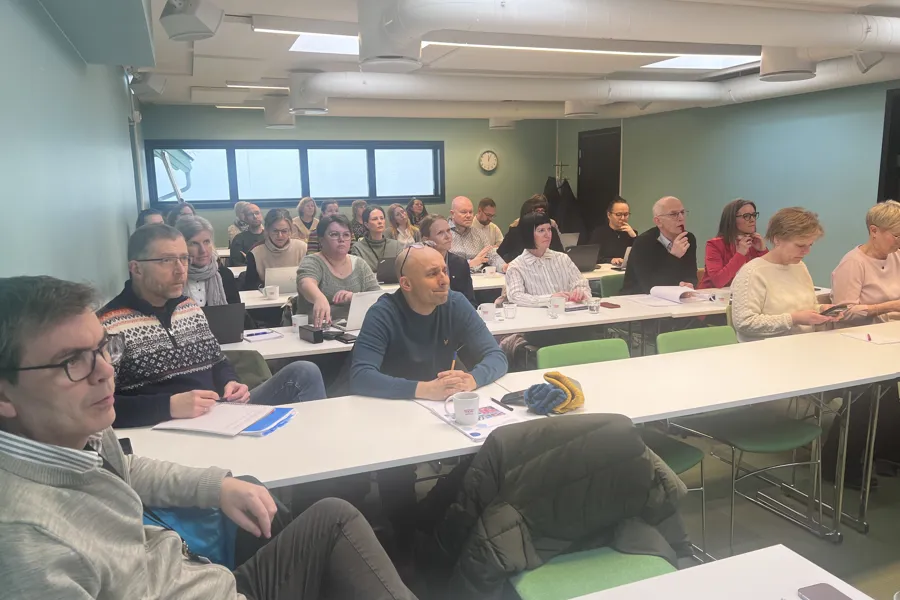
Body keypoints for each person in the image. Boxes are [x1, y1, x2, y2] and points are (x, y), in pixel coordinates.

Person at [0, 276, 416, 600]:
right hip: (202, 580)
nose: (106, 371)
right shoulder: (28, 542)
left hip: (198, 575)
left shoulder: (80, 432)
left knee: (328, 512)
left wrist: (217, 486)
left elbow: (125, 467)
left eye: (103, 349)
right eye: (72, 362)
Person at [98, 224, 326, 427]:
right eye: (166, 261)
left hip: (219, 413)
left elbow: (217, 361)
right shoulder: (109, 326)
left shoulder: (189, 308)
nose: (180, 270)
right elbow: (98, 406)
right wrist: (168, 406)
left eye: (184, 258)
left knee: (304, 372)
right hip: (167, 427)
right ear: (136, 268)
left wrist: (230, 382)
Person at [349, 245, 507, 400]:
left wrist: (472, 379)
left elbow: (496, 356)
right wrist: (425, 389)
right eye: (432, 274)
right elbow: (361, 376)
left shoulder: (456, 303)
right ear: (406, 284)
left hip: (440, 405)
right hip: (391, 406)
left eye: (444, 271)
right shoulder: (383, 314)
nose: (444, 280)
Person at [731, 207, 838, 343]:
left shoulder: (800, 267)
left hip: (802, 344)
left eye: (810, 245)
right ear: (777, 239)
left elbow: (806, 308)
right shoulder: (752, 272)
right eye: (800, 245)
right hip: (764, 349)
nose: (807, 251)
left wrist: (821, 310)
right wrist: (793, 319)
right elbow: (745, 323)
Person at [297, 214, 381, 327]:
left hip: (355, 328)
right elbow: (305, 282)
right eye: (334, 234)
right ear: (321, 240)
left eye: (346, 235)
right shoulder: (312, 261)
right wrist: (319, 298)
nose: (341, 239)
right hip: (317, 329)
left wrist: (354, 297)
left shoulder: (360, 264)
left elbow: (377, 297)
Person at [832, 200, 900, 324]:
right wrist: (890, 307)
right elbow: (843, 313)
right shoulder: (853, 263)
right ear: (874, 231)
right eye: (897, 236)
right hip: (864, 332)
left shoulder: (897, 255)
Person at [505, 211, 591, 307]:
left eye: (549, 229)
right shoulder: (516, 266)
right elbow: (516, 296)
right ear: (528, 234)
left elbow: (582, 284)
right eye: (541, 230)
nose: (548, 235)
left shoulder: (563, 258)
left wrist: (580, 292)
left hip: (569, 312)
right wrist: (549, 299)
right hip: (538, 315)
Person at [621, 196, 698, 295]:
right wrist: (674, 256)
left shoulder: (688, 238)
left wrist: (689, 284)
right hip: (638, 298)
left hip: (674, 297)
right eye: (673, 214)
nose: (681, 218)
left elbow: (691, 275)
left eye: (682, 212)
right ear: (658, 221)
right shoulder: (643, 243)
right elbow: (650, 286)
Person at [700, 199, 768, 289]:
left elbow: (769, 278)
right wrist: (740, 254)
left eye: (754, 215)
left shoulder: (754, 243)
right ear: (732, 220)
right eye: (747, 216)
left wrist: (762, 251)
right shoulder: (714, 245)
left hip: (745, 294)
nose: (752, 220)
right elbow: (718, 281)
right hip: (713, 295)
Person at [174, 215, 240, 306]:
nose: (203, 250)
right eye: (194, 243)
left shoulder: (224, 275)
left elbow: (236, 312)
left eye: (206, 242)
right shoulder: (172, 278)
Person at [244, 209, 307, 290]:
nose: (280, 235)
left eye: (284, 231)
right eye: (275, 231)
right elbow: (250, 287)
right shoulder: (255, 252)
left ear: (290, 231)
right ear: (267, 230)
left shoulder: (302, 248)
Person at [420, 214, 475, 306]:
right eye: (440, 233)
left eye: (448, 231)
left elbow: (470, 301)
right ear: (426, 239)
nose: (448, 236)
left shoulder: (460, 263)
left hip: (457, 312)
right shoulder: (419, 265)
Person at [497, 195, 564, 264]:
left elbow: (561, 254)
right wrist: (504, 266)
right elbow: (499, 254)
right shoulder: (515, 232)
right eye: (537, 211)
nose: (540, 214)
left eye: (543, 211)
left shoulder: (551, 231)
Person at [449, 196, 507, 272]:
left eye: (470, 212)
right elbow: (441, 263)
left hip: (479, 276)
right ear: (452, 214)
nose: (468, 215)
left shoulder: (479, 233)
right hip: (455, 276)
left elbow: (492, 256)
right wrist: (468, 264)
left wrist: (504, 267)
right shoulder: (443, 233)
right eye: (463, 212)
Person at [350, 206, 405, 272]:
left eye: (382, 218)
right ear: (366, 224)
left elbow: (402, 270)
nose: (380, 222)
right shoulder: (358, 248)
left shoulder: (396, 245)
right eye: (375, 219)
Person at [589, 196, 637, 265]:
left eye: (626, 214)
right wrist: (610, 260)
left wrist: (634, 237)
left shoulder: (631, 233)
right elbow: (591, 257)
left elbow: (641, 255)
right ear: (609, 215)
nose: (622, 218)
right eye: (618, 214)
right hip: (606, 269)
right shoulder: (599, 233)